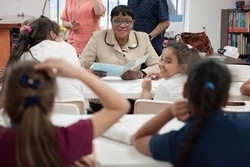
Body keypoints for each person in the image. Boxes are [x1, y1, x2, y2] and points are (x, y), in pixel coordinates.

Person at [0, 58, 130, 167]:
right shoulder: (67, 139)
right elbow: (120, 106)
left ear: (4, 100)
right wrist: (78, 73)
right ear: (53, 102)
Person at [132, 58, 250, 167]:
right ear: (226, 99)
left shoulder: (180, 140)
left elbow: (138, 139)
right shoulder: (246, 124)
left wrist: (169, 112)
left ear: (185, 91)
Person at [79, 5, 160, 113]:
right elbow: (79, 65)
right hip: (103, 98)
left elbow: (157, 65)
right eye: (117, 21)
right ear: (111, 22)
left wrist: (140, 73)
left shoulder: (142, 38)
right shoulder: (98, 37)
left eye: (127, 21)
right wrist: (89, 72)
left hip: (133, 97)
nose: (122, 25)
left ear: (133, 23)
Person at [5, 17, 86, 113]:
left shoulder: (26, 55)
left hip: (40, 112)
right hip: (76, 108)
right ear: (52, 34)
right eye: (60, 35)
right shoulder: (69, 48)